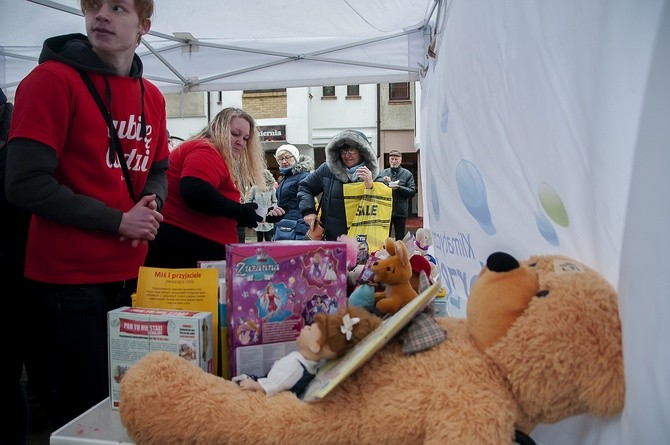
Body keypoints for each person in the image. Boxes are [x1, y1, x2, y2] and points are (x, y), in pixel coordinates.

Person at [4, 0, 168, 431]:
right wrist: (118, 220)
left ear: (144, 25)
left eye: (118, 8)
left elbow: (159, 168)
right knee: (81, 418)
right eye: (94, 5)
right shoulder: (50, 81)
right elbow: (24, 182)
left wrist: (152, 202)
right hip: (66, 284)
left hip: (130, 278)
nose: (101, 16)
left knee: (126, 408)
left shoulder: (150, 95)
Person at [144, 107, 265, 268]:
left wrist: (248, 214)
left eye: (245, 138)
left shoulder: (206, 150)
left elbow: (207, 202)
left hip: (186, 246)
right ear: (217, 129)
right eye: (235, 134)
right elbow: (195, 190)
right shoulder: (206, 149)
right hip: (188, 248)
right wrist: (239, 211)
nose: (240, 142)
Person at [234, 306, 381, 397]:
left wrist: (256, 386)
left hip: (265, 387)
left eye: (310, 329)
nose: (305, 328)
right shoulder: (312, 363)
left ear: (315, 347)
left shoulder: (294, 366)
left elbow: (275, 385)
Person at [297, 130, 383, 241]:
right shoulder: (327, 170)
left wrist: (371, 186)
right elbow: (305, 187)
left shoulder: (373, 174)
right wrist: (308, 211)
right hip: (332, 239)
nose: (347, 155)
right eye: (343, 150)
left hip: (363, 239)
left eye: (352, 150)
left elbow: (384, 203)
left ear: (362, 151)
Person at [266, 144, 314, 240]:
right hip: (285, 225)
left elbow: (306, 201)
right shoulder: (286, 177)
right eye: (280, 159)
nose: (284, 161)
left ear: (295, 158)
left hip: (298, 227)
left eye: (288, 158)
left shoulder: (303, 176)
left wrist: (302, 227)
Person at [380, 150, 416, 240]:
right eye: (392, 159)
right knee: (385, 237)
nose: (394, 161)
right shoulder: (383, 173)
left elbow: (412, 191)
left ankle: (400, 254)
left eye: (396, 159)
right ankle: (384, 254)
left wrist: (399, 188)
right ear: (389, 160)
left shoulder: (407, 174)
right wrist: (384, 183)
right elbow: (377, 189)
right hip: (386, 210)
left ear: (400, 160)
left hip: (400, 211)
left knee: (400, 238)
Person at [247, 169, 277, 242]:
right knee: (259, 236)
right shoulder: (254, 188)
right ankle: (259, 251)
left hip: (268, 215)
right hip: (258, 214)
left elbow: (275, 201)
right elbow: (249, 200)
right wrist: (252, 209)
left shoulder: (272, 189)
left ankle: (270, 252)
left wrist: (272, 209)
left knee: (268, 236)